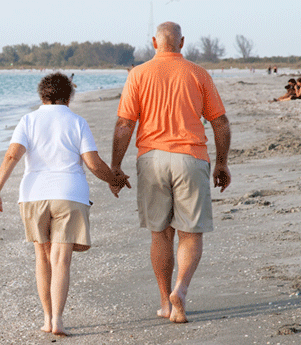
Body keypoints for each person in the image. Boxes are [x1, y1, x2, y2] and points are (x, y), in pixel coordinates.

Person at [109, 22, 232, 323]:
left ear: (154, 42)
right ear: (182, 42)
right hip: (191, 158)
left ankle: (165, 302)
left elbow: (125, 125)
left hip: (151, 160)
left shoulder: (137, 74)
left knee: (161, 233)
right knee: (190, 233)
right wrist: (221, 162)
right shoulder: (198, 73)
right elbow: (221, 123)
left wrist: (115, 166)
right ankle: (181, 290)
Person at [0, 72, 118, 336]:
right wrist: (113, 179)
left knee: (42, 258)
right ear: (69, 96)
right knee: (61, 260)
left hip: (34, 195)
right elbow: (93, 163)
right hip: (69, 194)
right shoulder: (77, 121)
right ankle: (58, 320)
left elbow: (13, 154)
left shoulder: (28, 120)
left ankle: (47, 319)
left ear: (41, 95)